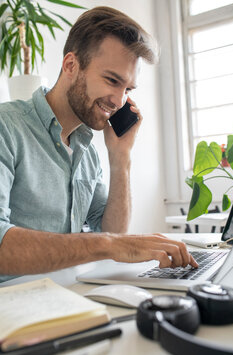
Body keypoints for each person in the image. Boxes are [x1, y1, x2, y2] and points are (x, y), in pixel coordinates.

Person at [0, 6, 198, 282]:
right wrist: (106, 245)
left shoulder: (86, 150)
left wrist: (121, 158)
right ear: (71, 65)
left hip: (68, 296)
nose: (119, 101)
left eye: (127, 89)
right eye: (112, 80)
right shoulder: (6, 127)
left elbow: (112, 230)